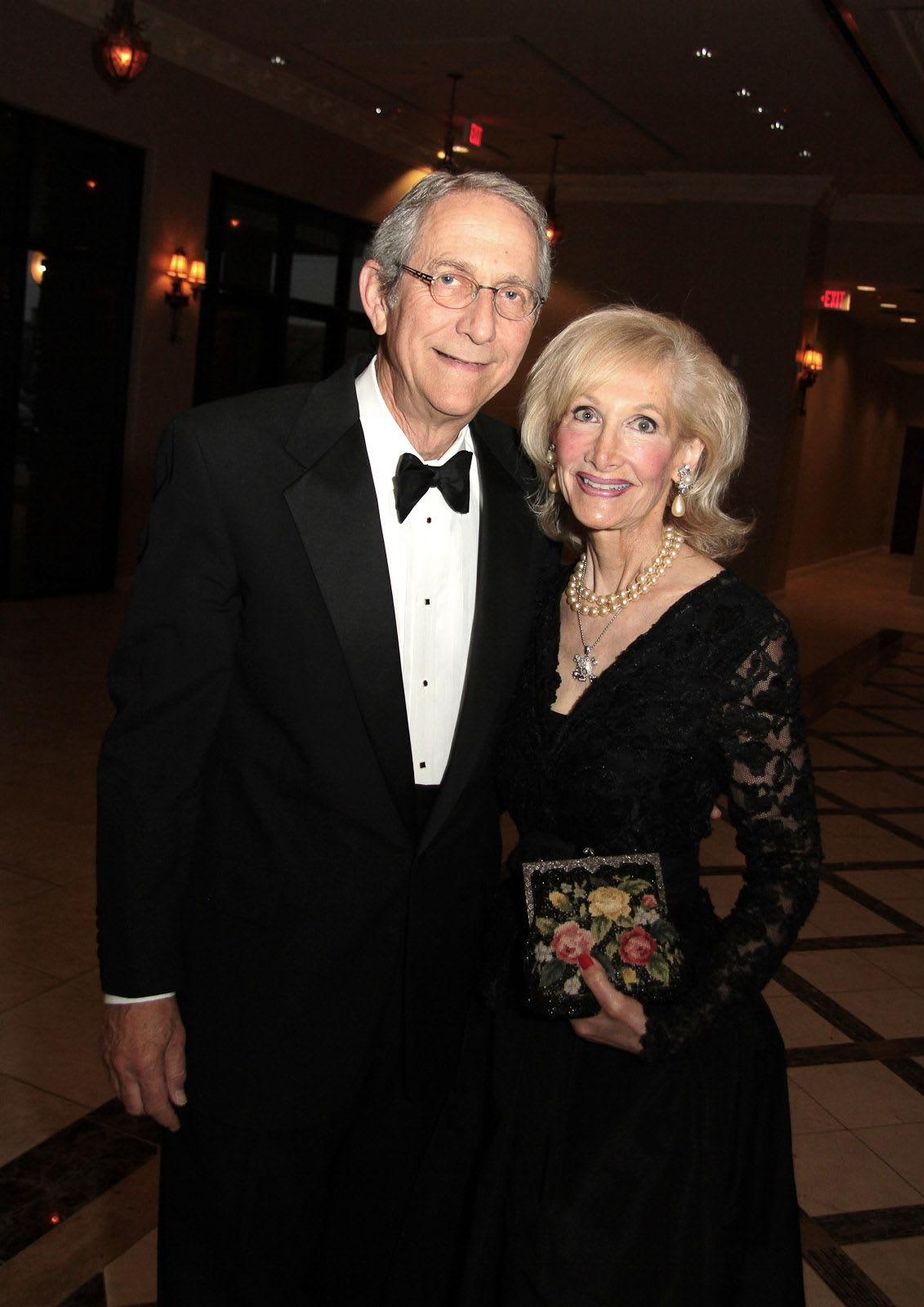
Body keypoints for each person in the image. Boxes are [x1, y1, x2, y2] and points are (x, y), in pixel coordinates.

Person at [96, 170, 556, 1306]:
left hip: (437, 1010)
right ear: (378, 293)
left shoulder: (537, 498)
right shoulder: (230, 460)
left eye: (511, 293)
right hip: (257, 1006)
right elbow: (154, 755)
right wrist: (140, 988)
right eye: (450, 280)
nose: (479, 321)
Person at [463, 306, 822, 1306]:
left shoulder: (740, 636)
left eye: (644, 423)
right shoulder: (531, 595)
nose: (605, 451)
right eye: (584, 413)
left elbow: (789, 868)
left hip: (649, 1027)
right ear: (551, 435)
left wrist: (673, 1023)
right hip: (512, 1001)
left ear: (689, 454)